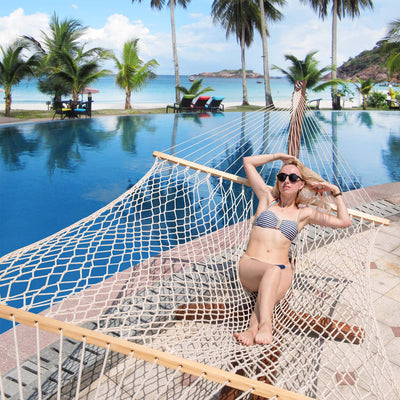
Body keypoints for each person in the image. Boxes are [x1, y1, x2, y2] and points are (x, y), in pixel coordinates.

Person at [234, 152, 351, 346]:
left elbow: (344, 221)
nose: (286, 181)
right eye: (282, 177)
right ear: (278, 181)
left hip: (282, 270)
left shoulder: (304, 213)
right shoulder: (266, 197)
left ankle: (252, 329)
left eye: (293, 177)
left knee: (271, 282)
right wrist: (280, 156)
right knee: (272, 271)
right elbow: (248, 162)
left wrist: (335, 191)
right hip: (251, 265)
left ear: (301, 184)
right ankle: (266, 324)